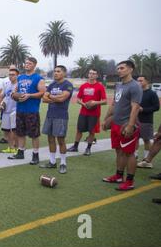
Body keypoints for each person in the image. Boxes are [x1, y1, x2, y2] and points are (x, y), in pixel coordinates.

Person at [102, 60, 143, 191]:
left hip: (127, 125)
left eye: (122, 68)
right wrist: (105, 119)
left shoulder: (135, 86)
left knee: (129, 153)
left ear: (131, 69)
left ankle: (130, 181)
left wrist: (130, 126)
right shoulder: (119, 85)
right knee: (118, 151)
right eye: (118, 68)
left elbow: (135, 108)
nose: (119, 70)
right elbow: (114, 104)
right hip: (116, 124)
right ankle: (119, 176)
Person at [9, 57, 46, 164]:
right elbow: (15, 90)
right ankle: (20, 153)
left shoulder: (38, 78)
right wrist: (13, 95)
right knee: (20, 133)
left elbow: (42, 92)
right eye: (26, 63)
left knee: (34, 134)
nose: (26, 65)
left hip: (32, 110)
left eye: (29, 63)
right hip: (20, 109)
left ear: (34, 65)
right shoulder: (20, 77)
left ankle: (35, 155)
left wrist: (29, 95)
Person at [40, 66, 74, 174]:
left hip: (61, 116)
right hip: (50, 115)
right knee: (50, 139)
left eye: (58, 71)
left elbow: (63, 98)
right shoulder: (52, 84)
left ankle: (63, 163)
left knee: (61, 140)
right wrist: (55, 98)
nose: (55, 73)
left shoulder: (67, 85)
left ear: (64, 73)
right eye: (54, 71)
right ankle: (52, 162)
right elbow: (44, 99)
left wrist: (50, 96)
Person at [67, 69, 107, 156]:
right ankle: (75, 146)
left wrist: (94, 102)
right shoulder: (83, 86)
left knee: (91, 131)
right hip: (83, 112)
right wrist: (84, 104)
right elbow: (78, 99)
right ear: (88, 75)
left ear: (96, 75)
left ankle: (88, 148)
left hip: (94, 113)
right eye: (90, 73)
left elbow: (105, 101)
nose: (92, 75)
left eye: (94, 73)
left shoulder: (100, 87)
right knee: (79, 130)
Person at [0, 68, 19, 155]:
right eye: (10, 74)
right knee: (6, 130)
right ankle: (10, 147)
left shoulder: (19, 85)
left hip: (15, 110)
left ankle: (17, 148)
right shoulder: (7, 84)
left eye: (13, 75)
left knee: (14, 131)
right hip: (5, 111)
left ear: (17, 75)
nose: (11, 76)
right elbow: (1, 96)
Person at [135, 76, 159, 162]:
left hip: (146, 120)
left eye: (141, 81)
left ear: (147, 81)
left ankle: (146, 158)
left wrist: (143, 109)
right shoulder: (136, 93)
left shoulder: (152, 93)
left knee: (146, 139)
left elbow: (156, 107)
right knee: (135, 138)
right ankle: (135, 155)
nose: (139, 82)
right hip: (134, 120)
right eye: (137, 81)